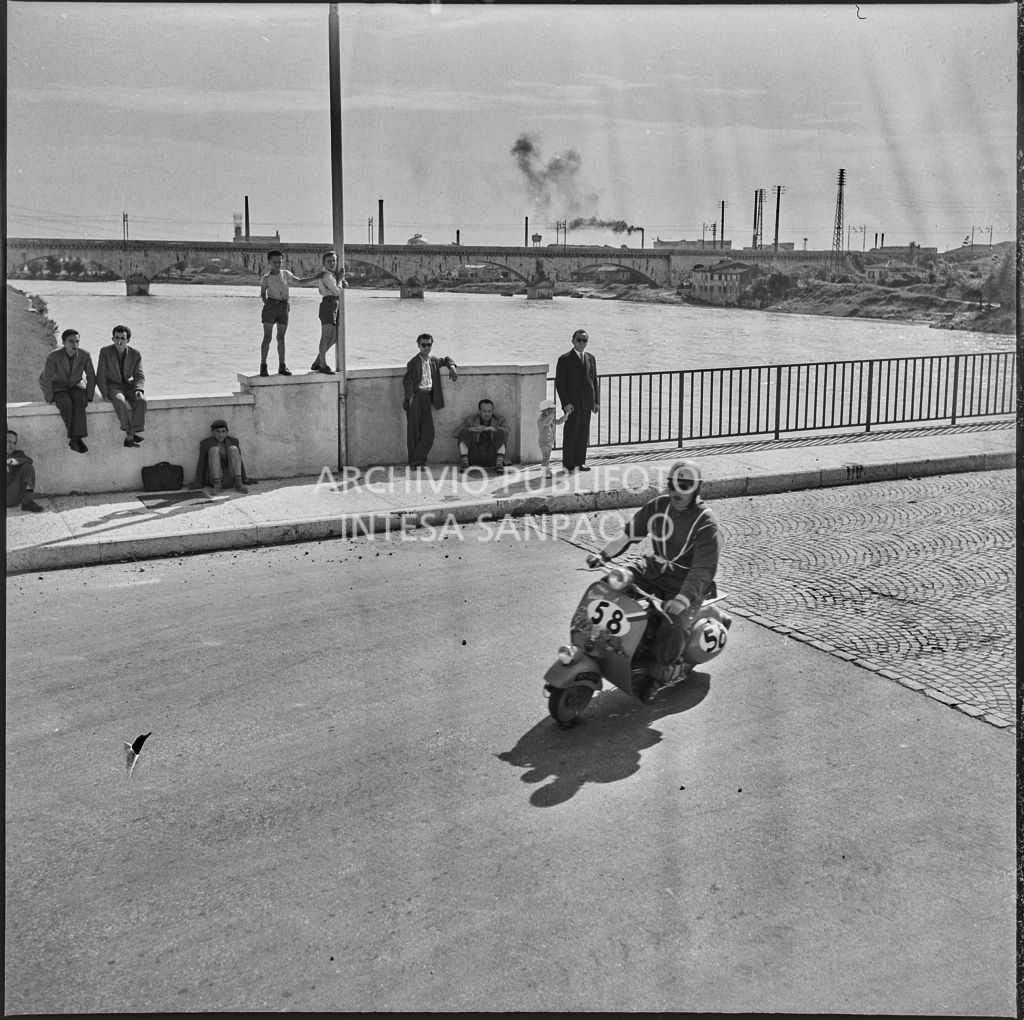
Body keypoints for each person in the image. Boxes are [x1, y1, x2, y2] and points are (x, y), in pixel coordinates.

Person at [588, 460, 728, 700]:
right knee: (612, 582)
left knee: (674, 623)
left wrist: (683, 599)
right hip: (654, 569)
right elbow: (629, 533)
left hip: (684, 583)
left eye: (684, 486)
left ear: (696, 489)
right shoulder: (659, 507)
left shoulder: (706, 523)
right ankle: (598, 638)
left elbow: (702, 570)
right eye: (672, 484)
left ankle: (654, 676)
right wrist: (603, 554)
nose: (676, 491)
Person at [259, 249, 319, 377]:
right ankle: (263, 365)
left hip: (283, 306)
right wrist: (268, 305)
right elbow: (263, 293)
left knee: (281, 338)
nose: (277, 264)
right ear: (269, 262)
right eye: (275, 262)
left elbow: (300, 282)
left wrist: (316, 278)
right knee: (267, 337)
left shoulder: (286, 274)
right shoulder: (266, 278)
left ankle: (282, 365)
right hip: (270, 306)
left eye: (279, 262)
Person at [401, 333, 458, 469]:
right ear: (418, 345)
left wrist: (452, 366)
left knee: (429, 433)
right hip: (416, 398)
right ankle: (416, 463)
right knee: (414, 431)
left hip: (427, 398)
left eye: (429, 344)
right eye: (423, 345)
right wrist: (410, 398)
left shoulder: (433, 360)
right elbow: (407, 381)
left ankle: (417, 461)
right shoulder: (413, 362)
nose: (426, 347)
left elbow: (446, 359)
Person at [39, 328, 96, 454]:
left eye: (77, 341)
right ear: (63, 342)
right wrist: (49, 396)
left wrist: (90, 395)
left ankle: (75, 439)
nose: (75, 345)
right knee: (65, 403)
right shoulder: (53, 356)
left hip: (76, 385)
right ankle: (76, 438)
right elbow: (46, 378)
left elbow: (91, 376)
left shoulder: (85, 355)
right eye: (71, 341)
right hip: (59, 386)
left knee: (80, 400)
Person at [554, 328, 599, 472]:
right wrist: (565, 403)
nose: (581, 343)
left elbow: (594, 381)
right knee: (570, 433)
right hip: (572, 404)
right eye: (579, 340)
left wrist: (596, 401)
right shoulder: (564, 359)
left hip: (587, 402)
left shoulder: (591, 358)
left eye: (584, 340)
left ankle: (580, 462)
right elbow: (560, 383)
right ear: (573, 340)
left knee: (583, 433)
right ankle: (568, 464)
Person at [96, 324, 147, 448]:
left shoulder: (136, 354)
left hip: (129, 386)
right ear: (112, 338)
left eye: (122, 339)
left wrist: (139, 389)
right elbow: (100, 375)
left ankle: (131, 434)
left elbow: (139, 376)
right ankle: (129, 433)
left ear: (128, 340)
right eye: (116, 338)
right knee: (119, 400)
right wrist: (105, 394)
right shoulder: (105, 352)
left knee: (142, 401)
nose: (119, 342)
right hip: (113, 387)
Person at [192, 419, 251, 493]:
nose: (220, 435)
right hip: (214, 478)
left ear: (227, 432)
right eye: (217, 431)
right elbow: (202, 463)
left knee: (233, 448)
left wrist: (244, 478)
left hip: (231, 477)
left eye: (223, 431)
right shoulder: (205, 443)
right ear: (212, 432)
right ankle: (217, 485)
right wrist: (198, 482)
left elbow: (239, 461)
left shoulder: (234, 441)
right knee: (214, 449)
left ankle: (239, 483)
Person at [310, 250, 345, 374]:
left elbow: (337, 289)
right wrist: (340, 280)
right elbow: (338, 292)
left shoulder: (331, 276)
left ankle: (317, 361)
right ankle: (323, 365)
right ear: (324, 263)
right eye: (329, 261)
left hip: (333, 305)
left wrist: (340, 281)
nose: (332, 263)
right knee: (325, 337)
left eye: (334, 260)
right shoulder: (326, 275)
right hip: (328, 305)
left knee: (335, 337)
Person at [454, 398, 509, 473]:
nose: (487, 414)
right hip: (475, 456)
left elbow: (508, 432)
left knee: (501, 431)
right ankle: (465, 463)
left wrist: (493, 428)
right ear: (479, 411)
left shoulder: (499, 420)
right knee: (464, 431)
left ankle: (499, 464)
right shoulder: (471, 419)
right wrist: (471, 429)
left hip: (493, 456)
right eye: (484, 411)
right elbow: (455, 433)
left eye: (489, 411)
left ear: (492, 411)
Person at [6, 429, 44, 512]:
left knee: (28, 467)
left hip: (12, 495)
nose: (12, 445)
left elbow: (29, 460)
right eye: (8, 442)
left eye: (14, 443)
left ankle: (27, 502)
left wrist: (12, 461)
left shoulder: (18, 454)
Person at [537, 398, 566, 474]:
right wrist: (551, 416)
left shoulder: (550, 419)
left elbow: (559, 421)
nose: (553, 412)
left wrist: (566, 415)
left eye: (553, 411)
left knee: (548, 457)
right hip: (543, 442)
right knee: (545, 457)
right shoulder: (541, 420)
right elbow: (546, 423)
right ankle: (545, 471)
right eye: (551, 411)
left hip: (550, 441)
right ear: (545, 411)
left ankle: (546, 468)